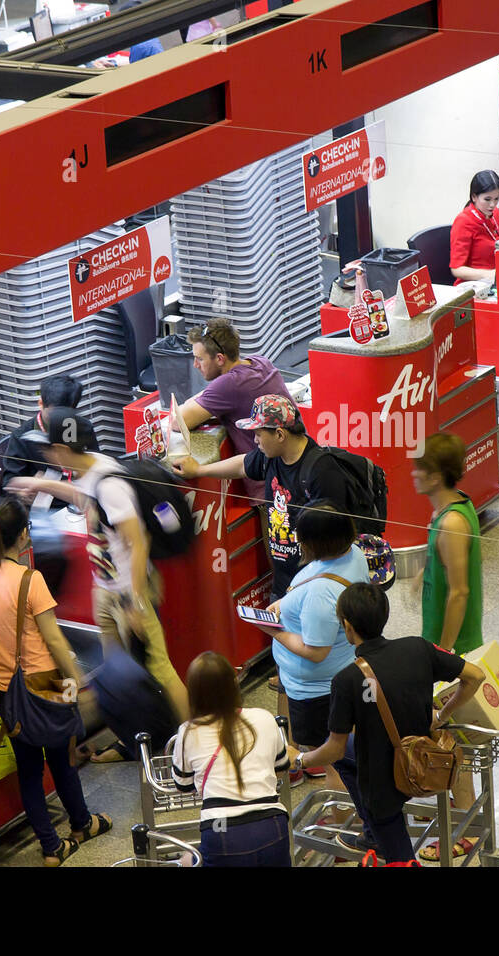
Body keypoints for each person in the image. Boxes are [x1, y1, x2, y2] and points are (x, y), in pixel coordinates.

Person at [7, 408, 189, 723]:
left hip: (129, 594)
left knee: (159, 668)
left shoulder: (109, 485)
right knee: (118, 674)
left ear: (63, 449)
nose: (46, 454)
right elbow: (83, 499)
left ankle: (194, 736)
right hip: (105, 590)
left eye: (48, 448)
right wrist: (37, 485)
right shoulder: (90, 471)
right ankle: (133, 739)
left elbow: (138, 542)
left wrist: (135, 602)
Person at [296, 583, 485, 863]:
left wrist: (299, 759)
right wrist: (441, 716)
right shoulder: (417, 647)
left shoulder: (347, 680)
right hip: (423, 760)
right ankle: (373, 835)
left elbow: (333, 751)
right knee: (349, 752)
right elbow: (475, 676)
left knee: (401, 858)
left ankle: (378, 837)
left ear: (347, 627)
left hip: (383, 784)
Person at [0, 497, 110, 866]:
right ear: (20, 537)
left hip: (7, 692)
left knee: (29, 773)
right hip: (47, 684)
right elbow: (55, 641)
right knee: (62, 759)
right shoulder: (31, 581)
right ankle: (81, 824)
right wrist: (79, 682)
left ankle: (51, 847)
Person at [171, 394, 359, 600]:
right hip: (283, 584)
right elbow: (243, 465)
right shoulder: (271, 457)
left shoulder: (321, 471)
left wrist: (306, 590)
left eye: (259, 434)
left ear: (280, 435)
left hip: (313, 589)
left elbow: (335, 541)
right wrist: (199, 470)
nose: (255, 440)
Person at [244, 505, 368, 796]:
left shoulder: (321, 594)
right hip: (341, 671)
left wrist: (275, 630)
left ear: (315, 543)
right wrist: (285, 608)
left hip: (317, 692)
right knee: (342, 749)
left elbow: (315, 651)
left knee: (335, 761)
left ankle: (340, 819)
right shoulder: (354, 555)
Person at [411, 431, 483, 861]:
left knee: (450, 739)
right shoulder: (449, 510)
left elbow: (460, 593)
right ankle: (452, 811)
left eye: (421, 468)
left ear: (437, 476)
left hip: (453, 647)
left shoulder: (453, 522)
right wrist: (423, 574)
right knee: (447, 735)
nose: (414, 474)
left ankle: (466, 828)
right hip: (444, 644)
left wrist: (444, 654)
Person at [171, 652, 291, 867]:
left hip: (221, 830)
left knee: (188, 861)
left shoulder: (189, 732)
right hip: (272, 824)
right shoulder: (264, 717)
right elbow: (281, 769)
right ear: (233, 683)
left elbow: (183, 785)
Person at [181, 318, 290, 502]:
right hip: (292, 472)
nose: (195, 365)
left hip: (272, 490)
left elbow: (179, 421)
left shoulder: (229, 384)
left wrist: (205, 396)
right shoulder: (260, 362)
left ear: (220, 359)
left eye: (200, 358)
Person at [0, 374, 87, 487]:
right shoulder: (22, 436)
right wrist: (24, 489)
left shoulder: (83, 427)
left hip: (78, 494)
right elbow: (9, 482)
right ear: (41, 404)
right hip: (42, 498)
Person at [449, 169, 499, 283]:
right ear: (474, 197)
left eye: (496, 199)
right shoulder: (464, 221)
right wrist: (489, 274)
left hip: (496, 280)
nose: (492, 205)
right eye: (487, 199)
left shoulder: (495, 213)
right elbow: (456, 269)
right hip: (474, 285)